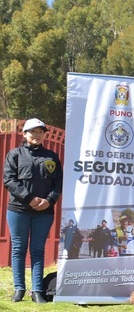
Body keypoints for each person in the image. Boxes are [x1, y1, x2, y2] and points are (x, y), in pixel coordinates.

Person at [3, 118, 63, 303]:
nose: (36, 135)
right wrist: (30, 199)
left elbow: (57, 183)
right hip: (18, 210)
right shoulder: (14, 154)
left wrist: (49, 200)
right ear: (25, 134)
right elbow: (9, 180)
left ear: (44, 134)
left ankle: (37, 291)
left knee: (38, 250)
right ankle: (19, 289)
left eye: (40, 132)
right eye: (32, 131)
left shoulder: (51, 157)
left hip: (43, 212)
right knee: (19, 249)